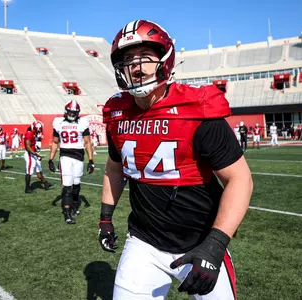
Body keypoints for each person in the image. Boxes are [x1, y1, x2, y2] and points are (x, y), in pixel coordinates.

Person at [99, 20, 253, 299]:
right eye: (128, 59)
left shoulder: (196, 109)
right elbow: (114, 168)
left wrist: (215, 245)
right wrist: (105, 219)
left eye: (145, 57)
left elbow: (239, 179)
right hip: (143, 243)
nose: (135, 66)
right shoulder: (116, 113)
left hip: (200, 242)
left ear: (165, 60)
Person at [49, 100, 95, 224]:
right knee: (67, 186)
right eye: (70, 111)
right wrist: (51, 158)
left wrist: (91, 160)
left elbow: (87, 142)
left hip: (79, 156)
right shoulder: (58, 122)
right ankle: (67, 213)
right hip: (65, 156)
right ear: (66, 111)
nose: (72, 114)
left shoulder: (82, 122)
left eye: (74, 112)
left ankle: (74, 205)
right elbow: (55, 142)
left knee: (76, 184)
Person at [24, 121, 52, 194]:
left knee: (39, 170)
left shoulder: (34, 133)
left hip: (34, 154)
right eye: (37, 130)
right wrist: (36, 154)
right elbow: (28, 147)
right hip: (30, 154)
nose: (38, 131)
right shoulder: (29, 133)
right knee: (29, 171)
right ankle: (27, 189)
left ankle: (45, 183)